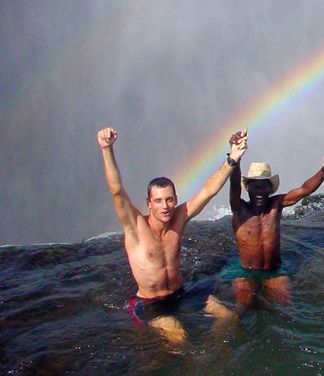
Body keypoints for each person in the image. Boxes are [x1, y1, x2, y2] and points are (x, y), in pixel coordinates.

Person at [96, 126, 247, 344]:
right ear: (149, 203)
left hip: (181, 293)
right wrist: (107, 149)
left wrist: (232, 158)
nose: (165, 206)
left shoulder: (179, 217)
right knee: (178, 335)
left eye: (169, 199)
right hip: (149, 303)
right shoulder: (136, 226)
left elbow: (208, 191)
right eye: (158, 201)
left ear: (175, 199)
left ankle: (219, 357)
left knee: (229, 317)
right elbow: (117, 191)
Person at [225, 147, 324, 307]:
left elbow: (304, 190)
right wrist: (235, 160)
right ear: (248, 187)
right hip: (247, 273)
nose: (259, 190)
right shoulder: (239, 208)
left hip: (274, 272)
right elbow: (234, 185)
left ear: (269, 189)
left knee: (284, 311)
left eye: (263, 185)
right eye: (255, 185)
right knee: (241, 310)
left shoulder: (276, 205)